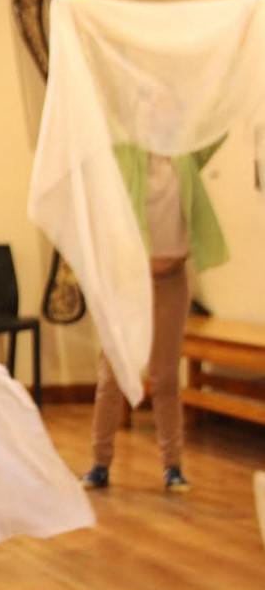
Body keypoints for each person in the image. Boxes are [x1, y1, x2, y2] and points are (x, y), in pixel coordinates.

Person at [80, 137, 229, 494]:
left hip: (171, 280)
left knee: (165, 375)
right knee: (113, 374)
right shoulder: (123, 153)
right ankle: (100, 463)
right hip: (128, 281)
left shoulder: (185, 156)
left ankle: (172, 467)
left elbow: (214, 126)